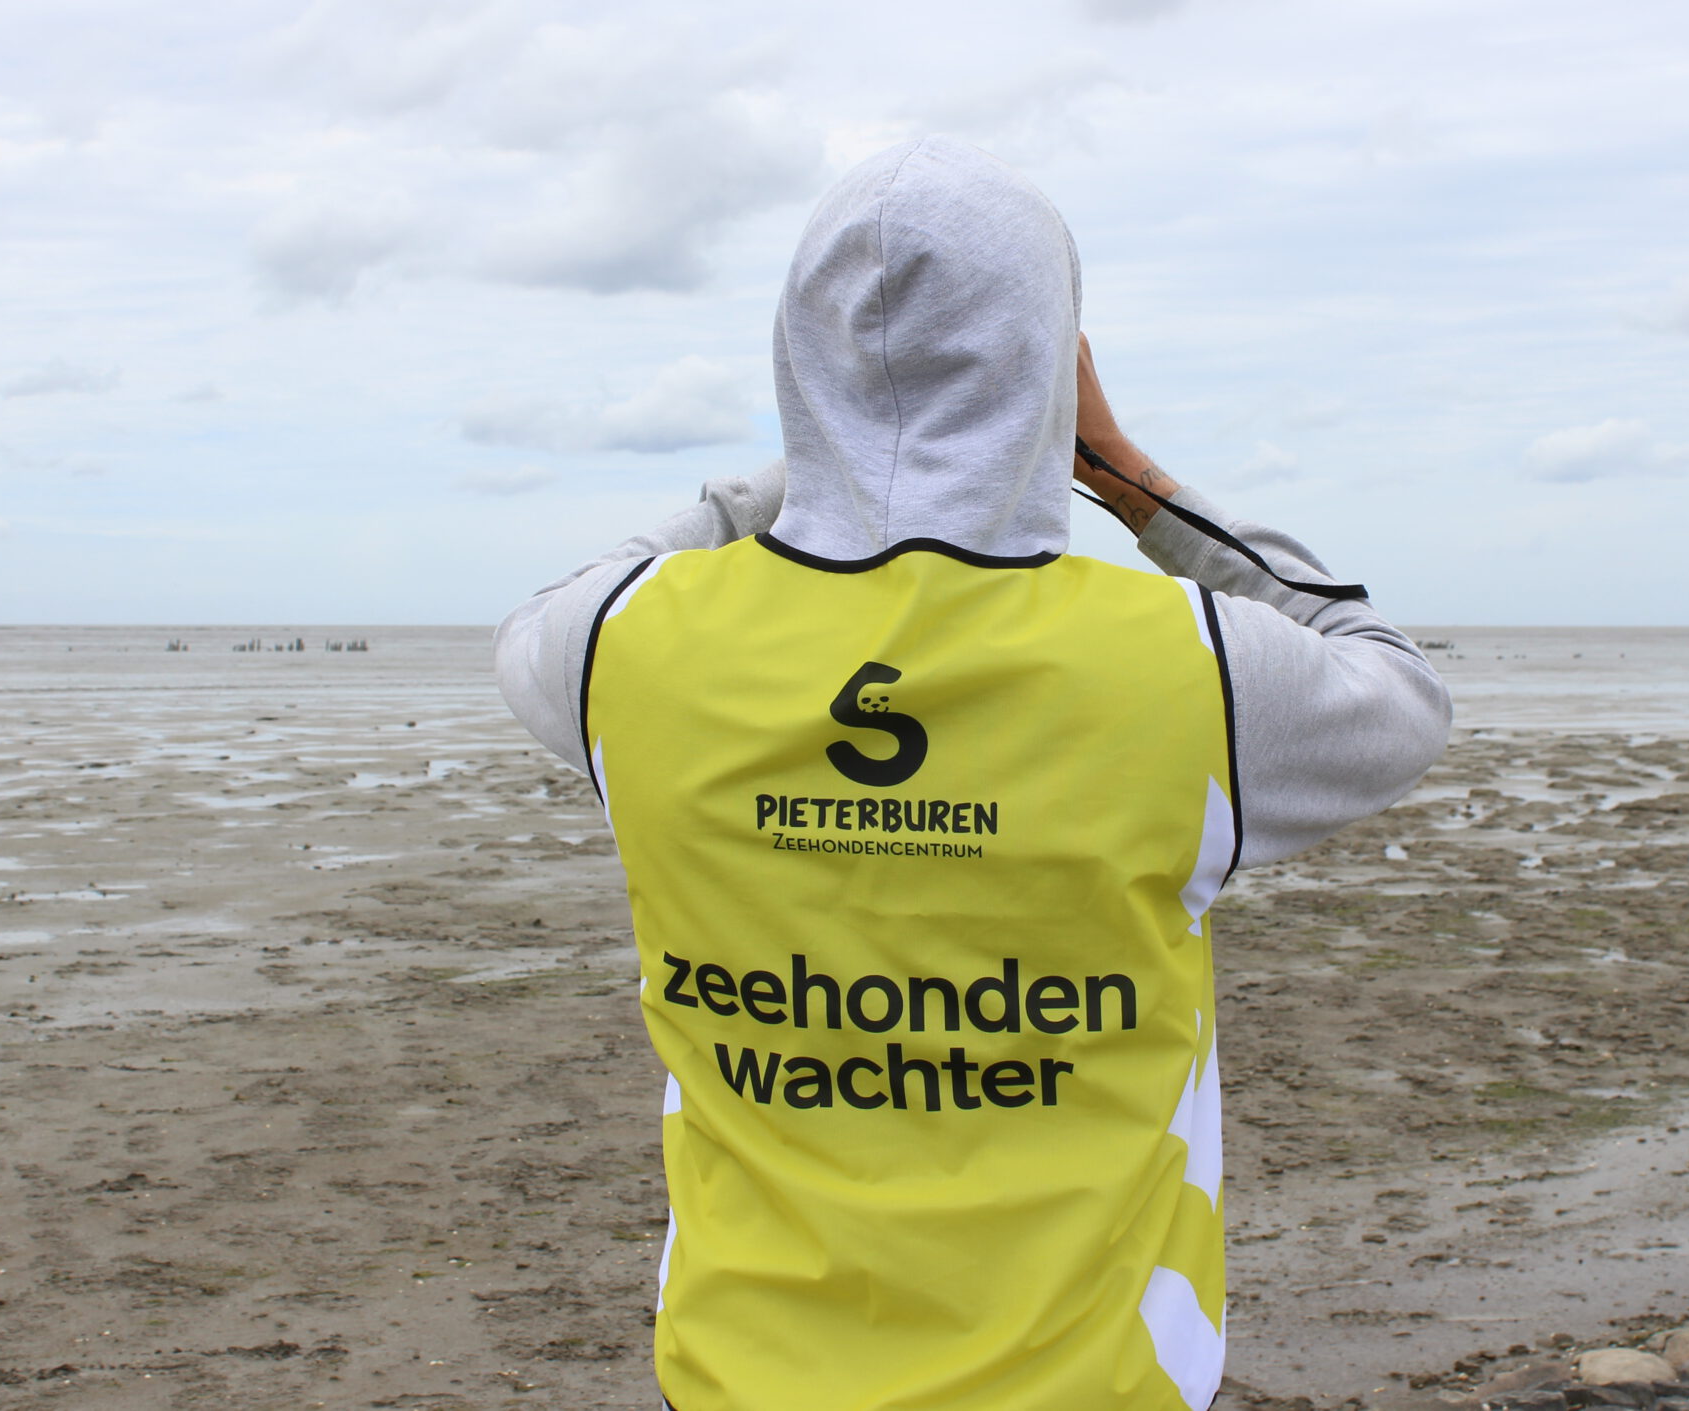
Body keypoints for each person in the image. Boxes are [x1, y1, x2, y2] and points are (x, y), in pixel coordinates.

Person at [497, 137, 1451, 1411]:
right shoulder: (1190, 668)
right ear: (1052, 364)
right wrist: (1118, 470)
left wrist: (823, 461)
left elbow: (563, 604)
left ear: (797, 353)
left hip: (741, 1373)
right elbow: (1390, 678)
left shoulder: (617, 652)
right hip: (1095, 1382)